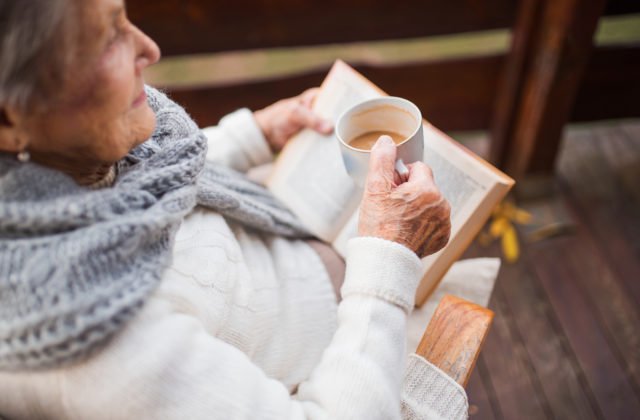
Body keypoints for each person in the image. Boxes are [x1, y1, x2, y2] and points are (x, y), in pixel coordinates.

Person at [0, 0, 465, 419]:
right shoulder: (91, 345)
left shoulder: (65, 164)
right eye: (105, 39)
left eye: (125, 18)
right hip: (358, 349)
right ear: (8, 119)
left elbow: (132, 185)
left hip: (301, 259)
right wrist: (387, 262)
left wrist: (254, 137)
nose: (150, 49)